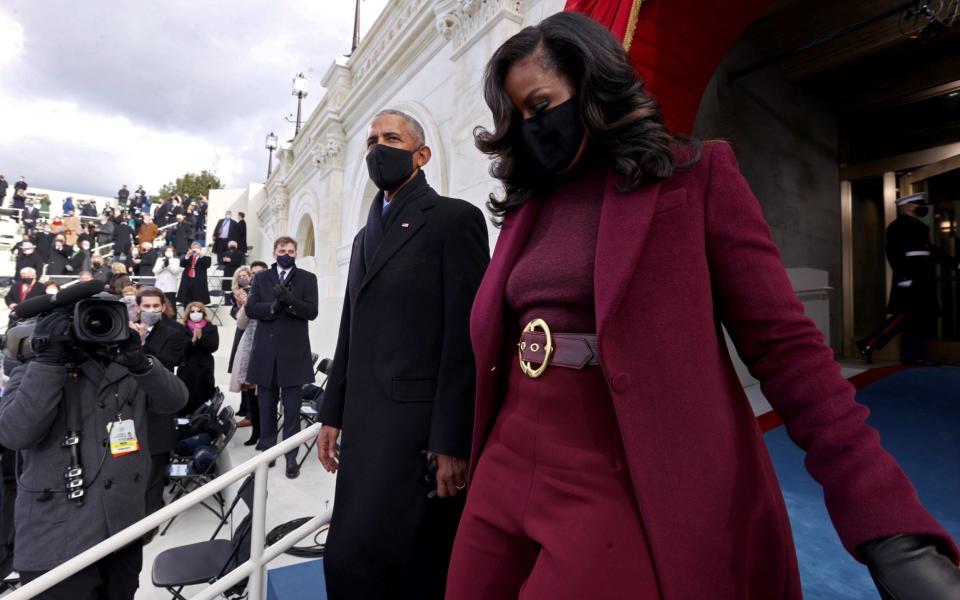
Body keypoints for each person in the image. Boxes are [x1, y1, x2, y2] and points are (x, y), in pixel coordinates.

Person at [442, 14, 960, 600]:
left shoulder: (697, 177)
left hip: (619, 475)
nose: (533, 128)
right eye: (519, 117)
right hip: (506, 464)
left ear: (592, 87)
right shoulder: (525, 208)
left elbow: (790, 353)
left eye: (542, 104)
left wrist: (889, 526)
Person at [317, 109, 489, 600]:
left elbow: (466, 338)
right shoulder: (362, 238)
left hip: (420, 440)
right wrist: (331, 412)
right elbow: (350, 331)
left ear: (422, 155)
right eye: (372, 139)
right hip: (364, 431)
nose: (378, 147)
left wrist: (452, 440)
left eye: (391, 137)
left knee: (414, 565)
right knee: (350, 560)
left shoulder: (456, 221)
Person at [0, 306, 188, 599]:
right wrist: (49, 360)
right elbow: (15, 433)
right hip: (57, 540)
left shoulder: (127, 368)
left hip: (122, 530)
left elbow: (175, 400)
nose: (93, 327)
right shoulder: (34, 368)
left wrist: (142, 363)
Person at [857, 193, 960, 365]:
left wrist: (955, 264)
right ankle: (869, 343)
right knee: (905, 316)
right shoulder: (896, 226)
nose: (921, 207)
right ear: (906, 206)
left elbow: (931, 251)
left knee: (919, 318)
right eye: (917, 204)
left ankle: (913, 357)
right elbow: (893, 253)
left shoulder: (921, 227)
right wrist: (904, 276)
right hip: (909, 276)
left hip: (923, 275)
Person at [245, 237, 318, 479]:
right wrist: (274, 307)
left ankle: (290, 457)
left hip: (294, 354)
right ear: (274, 252)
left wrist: (291, 302)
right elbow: (251, 308)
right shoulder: (262, 278)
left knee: (292, 411)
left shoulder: (307, 278)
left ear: (296, 253)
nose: (286, 254)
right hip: (266, 353)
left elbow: (312, 311)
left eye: (290, 250)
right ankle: (268, 453)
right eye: (282, 250)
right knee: (266, 407)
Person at [132, 287, 189, 528]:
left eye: (156, 306)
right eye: (146, 307)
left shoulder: (175, 332)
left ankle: (150, 521)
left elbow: (167, 364)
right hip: (131, 408)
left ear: (163, 307)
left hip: (159, 409)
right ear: (138, 307)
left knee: (155, 466)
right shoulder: (126, 329)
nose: (151, 311)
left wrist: (142, 345)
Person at [177, 302, 218, 416]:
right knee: (187, 394)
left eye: (198, 311)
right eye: (192, 311)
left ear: (203, 313)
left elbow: (213, 347)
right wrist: (193, 340)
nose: (195, 314)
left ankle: (204, 419)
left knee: (204, 392)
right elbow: (181, 349)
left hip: (204, 366)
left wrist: (201, 338)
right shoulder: (181, 329)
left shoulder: (211, 328)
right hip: (187, 366)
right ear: (188, 314)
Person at [177, 242, 211, 308]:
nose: (195, 249)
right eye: (194, 248)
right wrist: (187, 256)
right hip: (187, 283)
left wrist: (201, 255)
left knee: (198, 303)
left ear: (201, 249)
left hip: (199, 284)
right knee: (187, 304)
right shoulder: (188, 257)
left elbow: (207, 265)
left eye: (197, 248)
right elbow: (182, 264)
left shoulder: (206, 257)